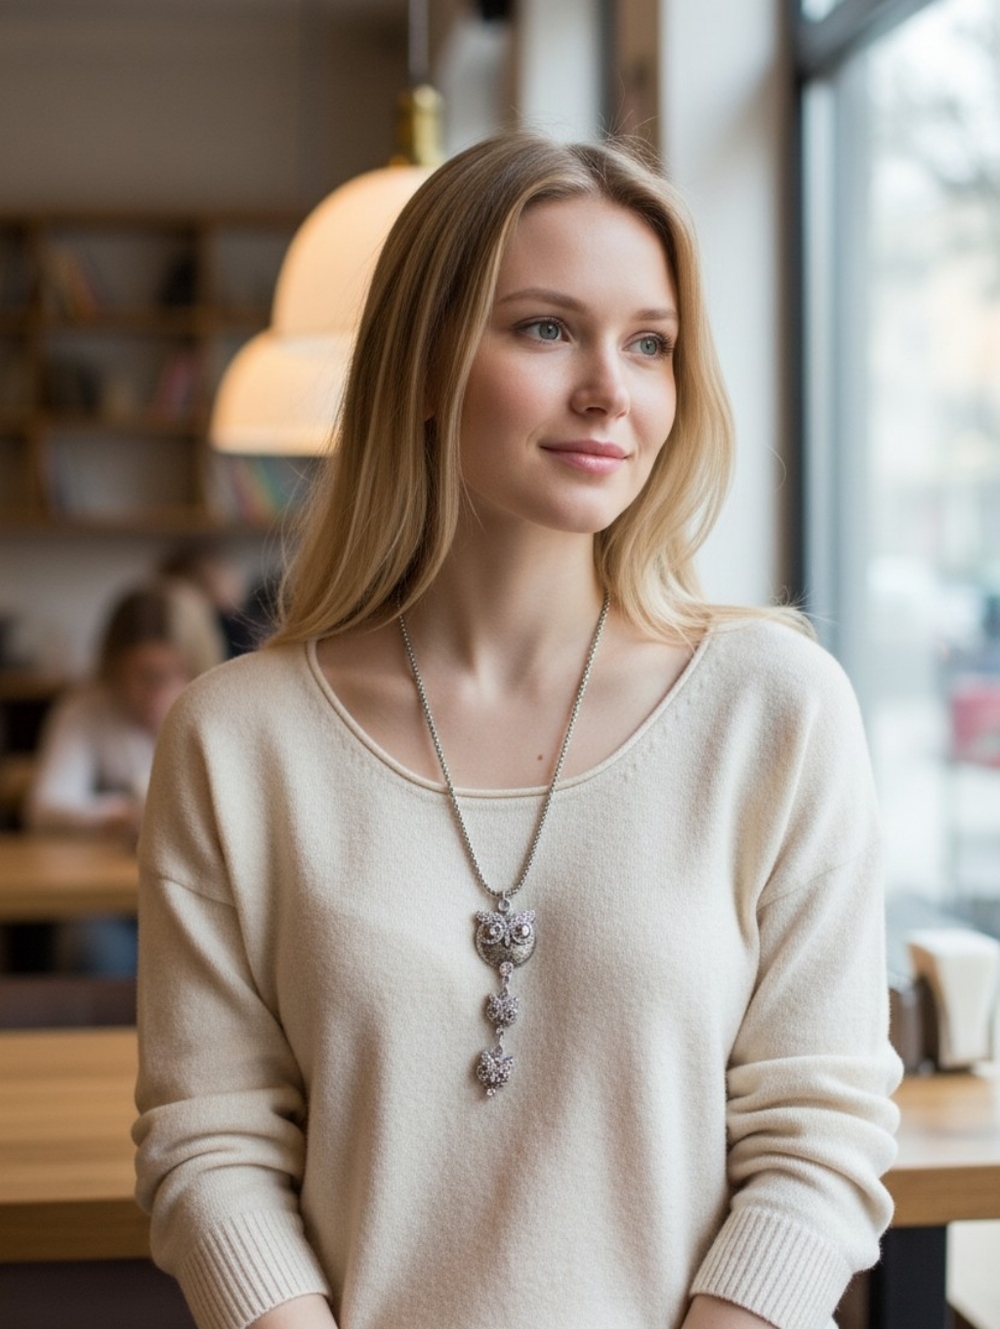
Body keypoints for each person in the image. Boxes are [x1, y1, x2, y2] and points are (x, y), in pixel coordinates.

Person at [133, 132, 901, 1329]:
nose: (610, 391)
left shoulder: (776, 710)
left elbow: (820, 1138)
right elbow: (209, 1143)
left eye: (649, 344)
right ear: (424, 364)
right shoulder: (235, 743)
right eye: (547, 329)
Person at [26, 581, 224, 972]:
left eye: (170, 675)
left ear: (195, 666)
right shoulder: (86, 711)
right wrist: (115, 816)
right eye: (142, 676)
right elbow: (45, 807)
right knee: (98, 951)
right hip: (111, 901)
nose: (157, 693)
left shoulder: (218, 711)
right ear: (113, 668)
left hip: (201, 898)